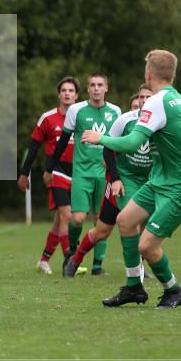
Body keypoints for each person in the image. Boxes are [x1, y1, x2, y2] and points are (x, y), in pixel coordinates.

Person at [83, 50, 181, 309]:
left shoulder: (156, 102)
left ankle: (173, 290)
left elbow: (131, 142)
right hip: (164, 179)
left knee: (147, 246)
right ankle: (133, 287)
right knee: (125, 221)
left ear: (148, 74)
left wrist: (101, 138)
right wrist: (171, 163)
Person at [64, 84, 154, 277]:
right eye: (142, 97)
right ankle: (76, 259)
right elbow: (107, 148)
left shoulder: (161, 123)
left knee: (145, 227)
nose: (145, 101)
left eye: (149, 97)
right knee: (102, 231)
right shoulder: (125, 120)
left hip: (147, 183)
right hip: (122, 181)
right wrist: (115, 179)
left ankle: (138, 267)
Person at [44, 73, 121, 275]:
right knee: (77, 218)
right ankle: (71, 252)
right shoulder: (76, 111)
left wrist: (116, 172)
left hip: (103, 175)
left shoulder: (115, 112)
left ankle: (97, 265)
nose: (96, 89)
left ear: (107, 88)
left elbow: (119, 145)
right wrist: (49, 168)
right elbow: (62, 143)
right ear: (87, 89)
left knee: (100, 221)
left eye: (100, 85)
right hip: (82, 174)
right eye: (93, 85)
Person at [18, 76, 78, 274]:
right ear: (59, 94)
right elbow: (33, 147)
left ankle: (44, 260)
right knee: (66, 215)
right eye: (64, 90)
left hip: (78, 173)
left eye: (71, 90)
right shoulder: (48, 118)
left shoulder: (82, 117)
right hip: (55, 172)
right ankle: (70, 261)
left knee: (60, 220)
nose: (67, 93)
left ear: (77, 95)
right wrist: (24, 174)